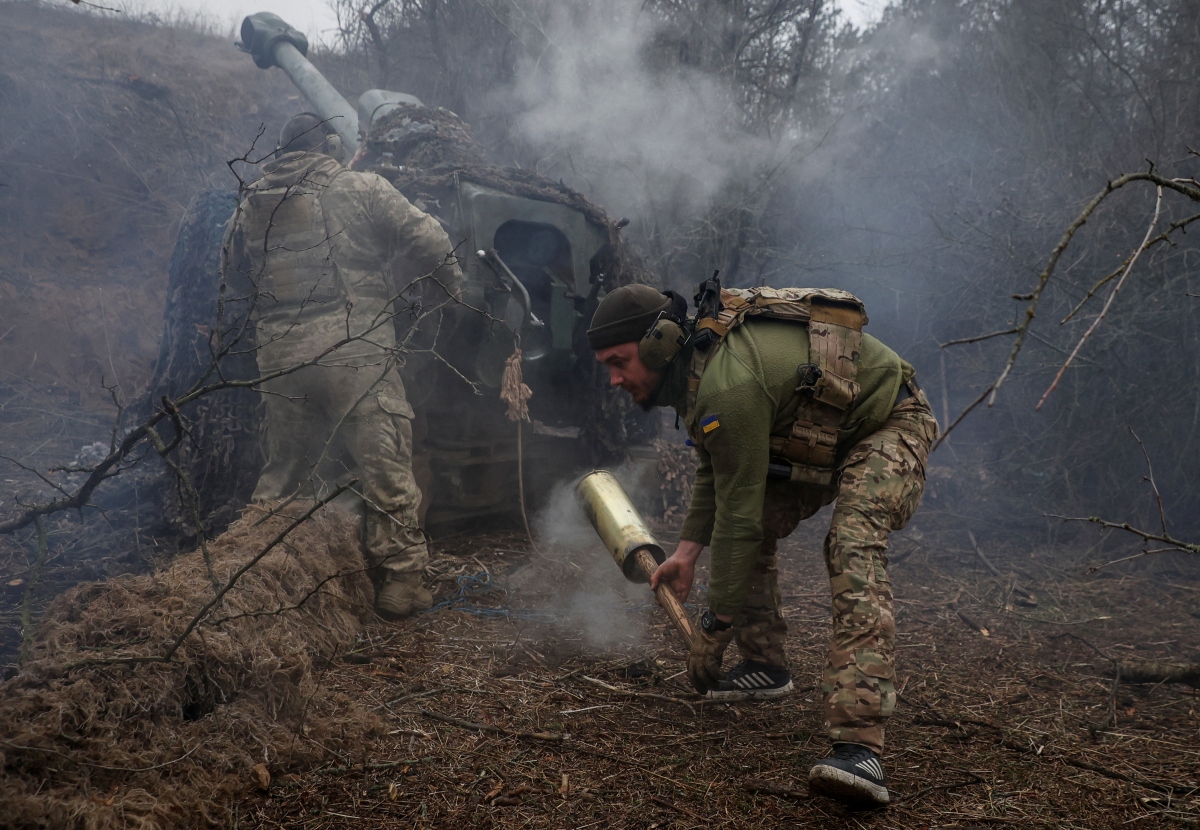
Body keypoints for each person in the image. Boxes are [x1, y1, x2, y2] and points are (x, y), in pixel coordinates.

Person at [588, 281, 938, 807]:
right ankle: (765, 666)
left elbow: (739, 516)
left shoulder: (726, 384)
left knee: (851, 545)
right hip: (823, 436)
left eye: (619, 362)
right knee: (757, 523)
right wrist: (685, 553)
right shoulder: (698, 374)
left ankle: (860, 746)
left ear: (659, 344)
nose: (614, 379)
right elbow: (716, 469)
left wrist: (715, 628)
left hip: (890, 421)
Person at [221, 112, 462, 620]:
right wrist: (450, 289)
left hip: (281, 359)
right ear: (330, 146)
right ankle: (401, 583)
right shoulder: (361, 188)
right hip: (356, 355)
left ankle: (250, 577)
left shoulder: (251, 205)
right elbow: (432, 241)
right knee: (384, 466)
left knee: (285, 473)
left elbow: (233, 279)